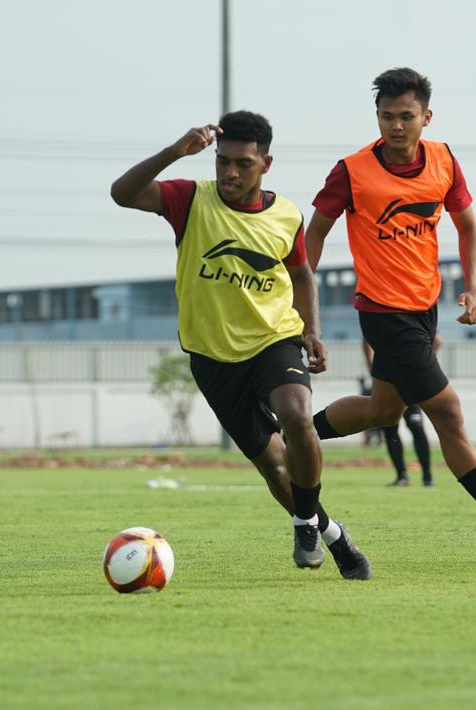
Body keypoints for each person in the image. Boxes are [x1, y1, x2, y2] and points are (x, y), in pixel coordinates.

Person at [110, 110, 371, 578]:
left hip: (275, 340)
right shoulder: (189, 199)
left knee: (296, 415)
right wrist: (174, 152)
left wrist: (311, 330)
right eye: (222, 161)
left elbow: (301, 274)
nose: (230, 172)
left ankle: (305, 526)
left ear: (265, 163)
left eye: (243, 164)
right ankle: (331, 533)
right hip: (212, 358)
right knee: (274, 469)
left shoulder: (286, 215)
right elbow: (121, 193)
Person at [304, 68, 476, 553]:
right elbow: (313, 234)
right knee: (448, 411)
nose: (395, 126)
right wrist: (301, 295)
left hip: (425, 310)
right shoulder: (352, 171)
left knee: (383, 410)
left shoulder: (443, 160)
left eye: (406, 116)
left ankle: (289, 435)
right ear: (376, 117)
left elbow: (468, 228)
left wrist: (474, 287)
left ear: (426, 117)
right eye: (386, 117)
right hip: (383, 313)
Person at [363, 338, 434, 487]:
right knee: (400, 428)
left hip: (404, 380)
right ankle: (413, 476)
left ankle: (418, 476)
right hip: (397, 380)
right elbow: (366, 341)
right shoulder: (408, 321)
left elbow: (366, 341)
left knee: (410, 427)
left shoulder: (384, 320)